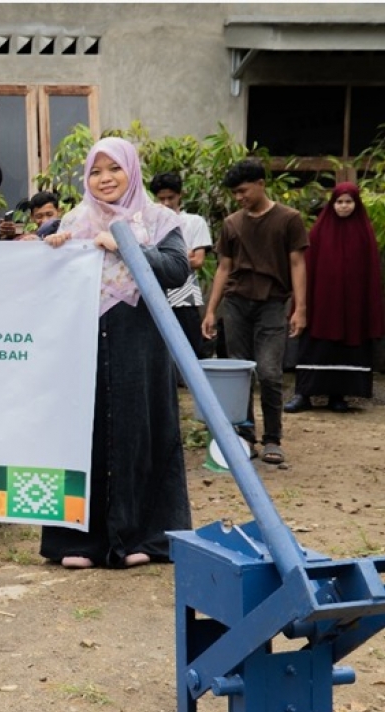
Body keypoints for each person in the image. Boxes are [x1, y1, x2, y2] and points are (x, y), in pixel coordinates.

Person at [41, 136, 191, 569]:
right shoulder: (74, 218)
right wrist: (54, 247)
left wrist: (125, 245)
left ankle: (145, 537)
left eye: (114, 169)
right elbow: (49, 278)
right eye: (95, 171)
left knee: (142, 428)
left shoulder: (159, 217)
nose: (105, 179)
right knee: (80, 432)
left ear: (131, 170)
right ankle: (77, 542)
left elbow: (176, 269)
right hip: (84, 339)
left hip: (140, 338)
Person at [201, 159, 308, 465]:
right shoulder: (232, 223)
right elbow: (224, 268)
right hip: (236, 303)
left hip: (273, 303)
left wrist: (300, 308)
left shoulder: (289, 219)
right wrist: (210, 310)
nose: (239, 197)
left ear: (261, 183)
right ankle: (244, 436)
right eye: (234, 193)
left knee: (270, 373)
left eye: (243, 190)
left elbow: (298, 263)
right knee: (239, 373)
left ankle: (273, 438)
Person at [285, 183, 384, 413]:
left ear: (356, 204)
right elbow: (307, 266)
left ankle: (337, 396)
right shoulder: (319, 231)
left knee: (346, 349)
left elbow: (371, 273)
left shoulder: (364, 233)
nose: (343, 206)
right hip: (322, 304)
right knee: (315, 346)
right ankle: (304, 395)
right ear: (332, 204)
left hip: (352, 306)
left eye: (348, 202)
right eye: (339, 202)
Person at [149, 171, 214, 376]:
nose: (166, 203)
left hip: (185, 296)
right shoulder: (149, 222)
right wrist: (182, 255)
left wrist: (163, 258)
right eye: (161, 199)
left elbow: (198, 261)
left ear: (180, 196)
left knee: (189, 348)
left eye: (171, 197)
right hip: (157, 295)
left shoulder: (194, 222)